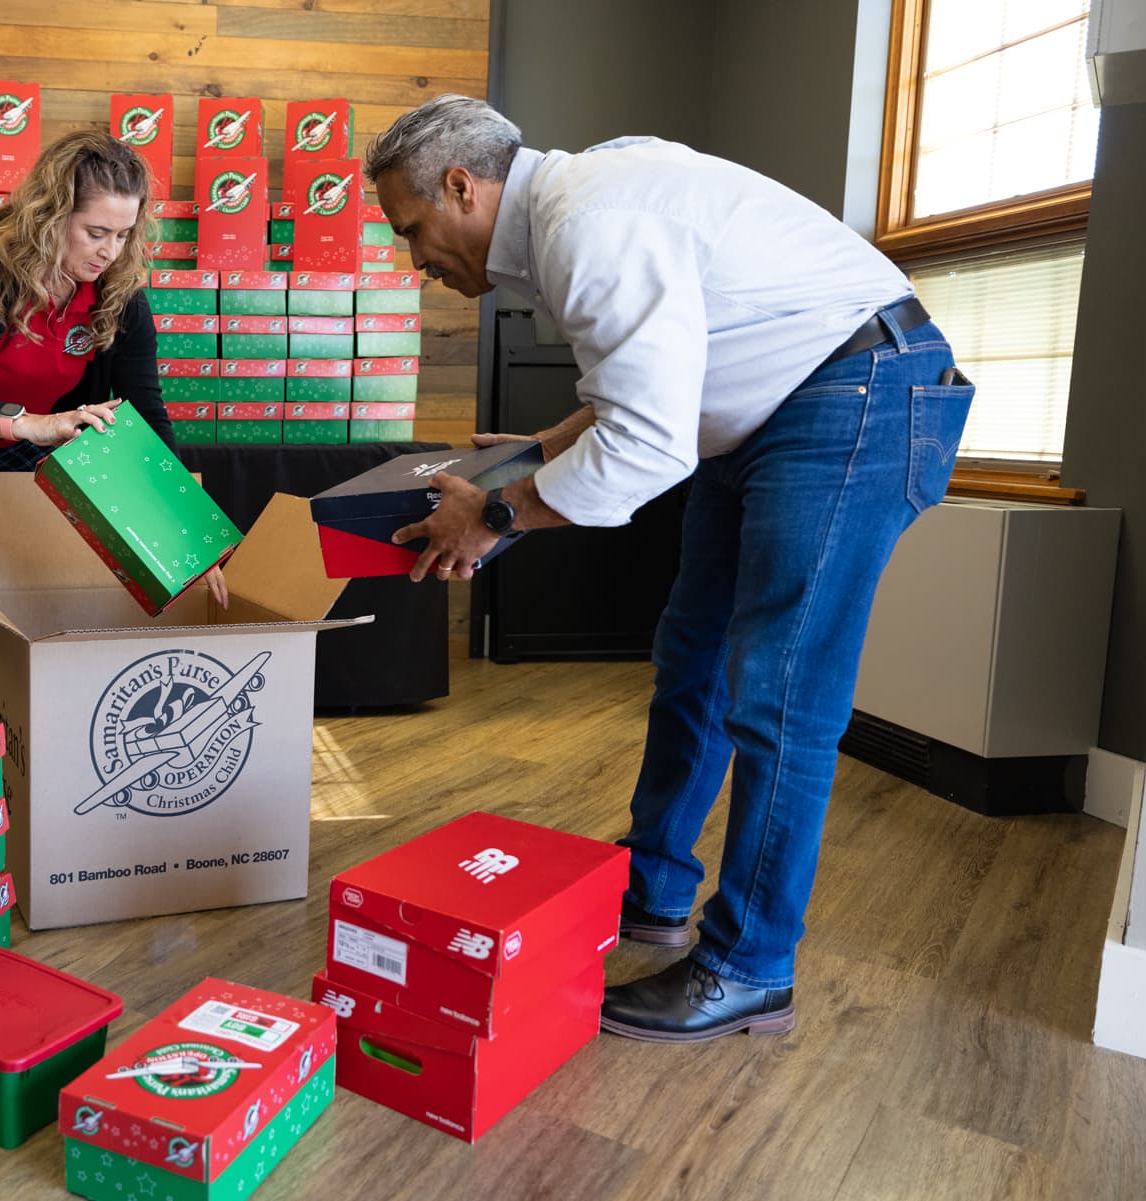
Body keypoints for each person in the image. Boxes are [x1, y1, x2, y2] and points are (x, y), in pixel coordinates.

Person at [371, 96, 973, 1041]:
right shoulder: (588, 198)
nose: (417, 261)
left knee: (778, 691)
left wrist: (494, 513)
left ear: (462, 187)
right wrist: (539, 448)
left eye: (414, 231)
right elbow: (653, 382)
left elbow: (646, 447)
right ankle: (652, 889)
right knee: (691, 653)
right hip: (778, 406)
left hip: (855, 394)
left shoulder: (589, 226)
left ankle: (750, 966)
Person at [0, 129, 226, 720]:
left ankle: (41, 727)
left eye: (125, 234)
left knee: (62, 577)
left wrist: (186, 533)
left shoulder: (119, 293)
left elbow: (146, 411)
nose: (110, 251)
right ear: (51, 214)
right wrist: (26, 424)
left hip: (38, 434)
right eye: (96, 232)